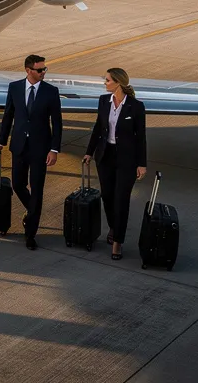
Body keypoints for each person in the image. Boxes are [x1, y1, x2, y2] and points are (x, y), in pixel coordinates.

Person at [0, 54, 62, 250]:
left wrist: (54, 149)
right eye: (39, 70)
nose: (43, 73)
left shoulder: (51, 92)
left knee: (37, 190)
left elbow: (57, 123)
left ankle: (30, 234)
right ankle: (32, 212)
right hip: (19, 146)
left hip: (41, 150)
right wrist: (0, 143)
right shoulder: (14, 88)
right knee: (18, 185)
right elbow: (8, 117)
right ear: (28, 70)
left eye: (44, 69)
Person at [83, 68, 147, 260]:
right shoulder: (104, 101)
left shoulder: (136, 106)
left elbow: (141, 137)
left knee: (121, 200)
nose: (105, 83)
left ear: (118, 83)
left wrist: (141, 163)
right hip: (105, 156)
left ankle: (117, 241)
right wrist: (89, 152)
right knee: (107, 197)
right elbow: (97, 128)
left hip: (126, 160)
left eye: (108, 80)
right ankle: (114, 226)